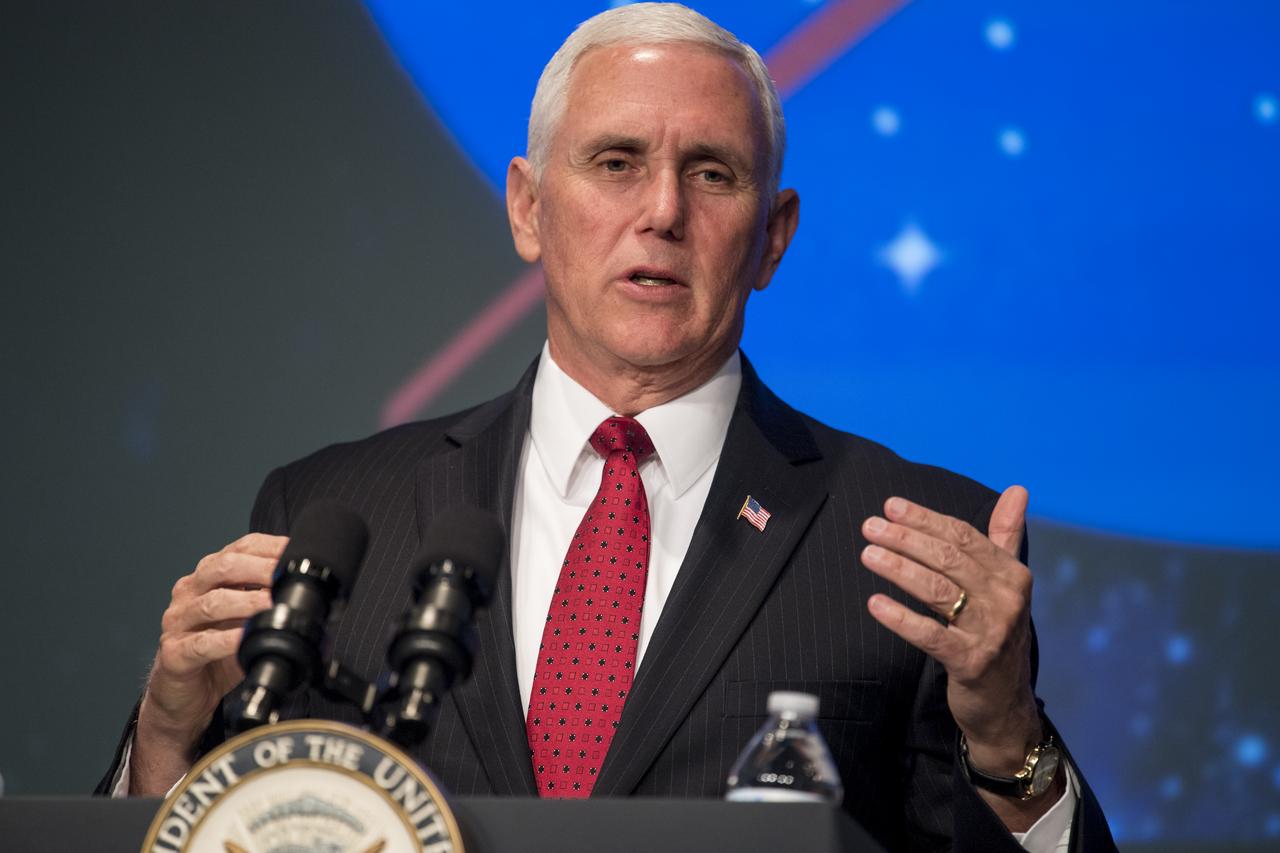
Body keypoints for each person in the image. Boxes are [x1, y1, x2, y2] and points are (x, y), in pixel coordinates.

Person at [99, 4, 1116, 850]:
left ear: (771, 237)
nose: (662, 210)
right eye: (616, 161)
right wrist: (166, 734)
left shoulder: (915, 541)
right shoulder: (332, 516)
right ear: (528, 208)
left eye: (711, 172)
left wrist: (1007, 742)